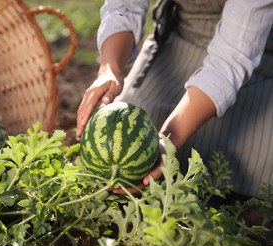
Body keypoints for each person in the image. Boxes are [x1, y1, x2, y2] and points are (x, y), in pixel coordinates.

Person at [76, 0, 273, 198]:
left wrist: (169, 138)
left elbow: (230, 62)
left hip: (259, 54)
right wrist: (110, 69)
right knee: (128, 127)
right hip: (181, 38)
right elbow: (124, 7)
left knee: (257, 153)